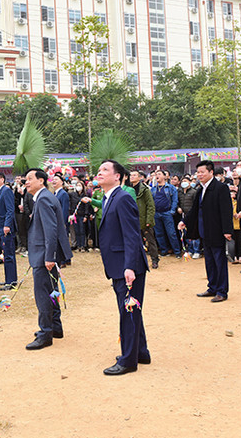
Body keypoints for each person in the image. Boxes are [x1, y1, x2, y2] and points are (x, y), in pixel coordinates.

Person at [96, 160, 150, 375]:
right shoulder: (109, 198)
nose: (99, 173)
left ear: (118, 176)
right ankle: (140, 352)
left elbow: (132, 235)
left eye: (105, 170)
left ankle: (128, 360)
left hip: (128, 267)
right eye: (99, 170)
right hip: (118, 265)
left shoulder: (123, 197)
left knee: (128, 311)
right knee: (132, 309)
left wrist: (129, 267)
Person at [23, 168, 72, 350]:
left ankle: (45, 333)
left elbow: (51, 230)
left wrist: (49, 256)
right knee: (52, 291)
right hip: (47, 254)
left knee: (43, 294)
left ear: (41, 181)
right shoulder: (45, 197)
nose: (26, 182)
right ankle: (55, 327)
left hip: (45, 256)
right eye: (25, 179)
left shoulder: (43, 198)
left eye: (30, 179)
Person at [180, 160, 233, 303]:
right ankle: (212, 287)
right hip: (204, 230)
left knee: (219, 261)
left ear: (211, 172)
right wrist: (184, 222)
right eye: (198, 172)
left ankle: (222, 291)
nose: (199, 174)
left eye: (202, 172)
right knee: (209, 261)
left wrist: (227, 230)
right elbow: (195, 209)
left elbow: (227, 210)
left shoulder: (220, 188)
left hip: (216, 230)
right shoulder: (200, 189)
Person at [0, 172, 17, 290]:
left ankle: (11, 282)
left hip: (6, 229)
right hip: (1, 227)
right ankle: (9, 279)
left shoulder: (6, 190)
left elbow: (10, 210)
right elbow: (0, 211)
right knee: (6, 254)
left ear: (2, 179)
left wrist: (7, 225)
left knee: (9, 255)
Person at [151, 170, 181, 258]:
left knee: (171, 233)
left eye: (159, 174)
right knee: (159, 233)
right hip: (156, 213)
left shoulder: (171, 188)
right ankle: (164, 251)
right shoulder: (153, 189)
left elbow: (175, 200)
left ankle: (177, 251)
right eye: (156, 175)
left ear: (165, 177)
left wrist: (172, 211)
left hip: (167, 213)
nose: (157, 176)